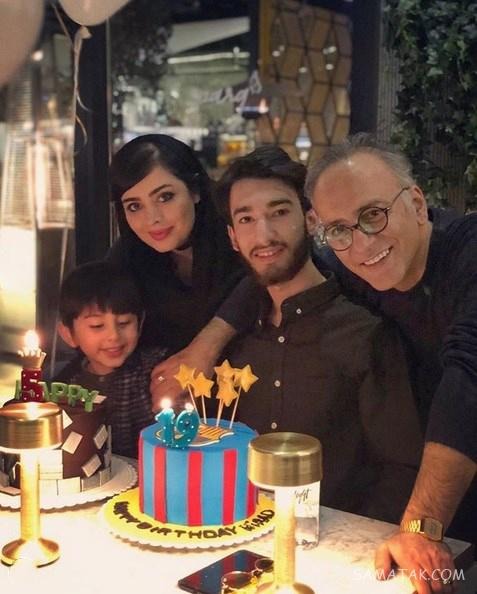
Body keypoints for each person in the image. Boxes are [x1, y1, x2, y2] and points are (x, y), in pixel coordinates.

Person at [213, 145, 423, 523]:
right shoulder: (233, 340)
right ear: (232, 237)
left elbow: (401, 469)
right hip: (236, 534)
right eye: (246, 219)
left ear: (311, 220)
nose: (264, 234)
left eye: (279, 212)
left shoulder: (364, 334)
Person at [305, 133, 477, 592]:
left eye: (373, 215)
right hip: (451, 498)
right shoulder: (350, 267)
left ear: (417, 204)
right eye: (339, 229)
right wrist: (210, 340)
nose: (362, 244)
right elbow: (286, 268)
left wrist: (421, 526)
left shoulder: (468, 251)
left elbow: (470, 377)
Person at [108, 134, 244, 403]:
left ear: (195, 191)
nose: (152, 219)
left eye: (165, 197)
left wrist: (207, 344)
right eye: (134, 206)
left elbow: (264, 284)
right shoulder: (127, 257)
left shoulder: (239, 235)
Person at [55, 261, 165, 459]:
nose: (114, 336)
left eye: (124, 322)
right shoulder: (64, 385)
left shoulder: (155, 371)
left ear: (140, 323)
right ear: (68, 334)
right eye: (97, 326)